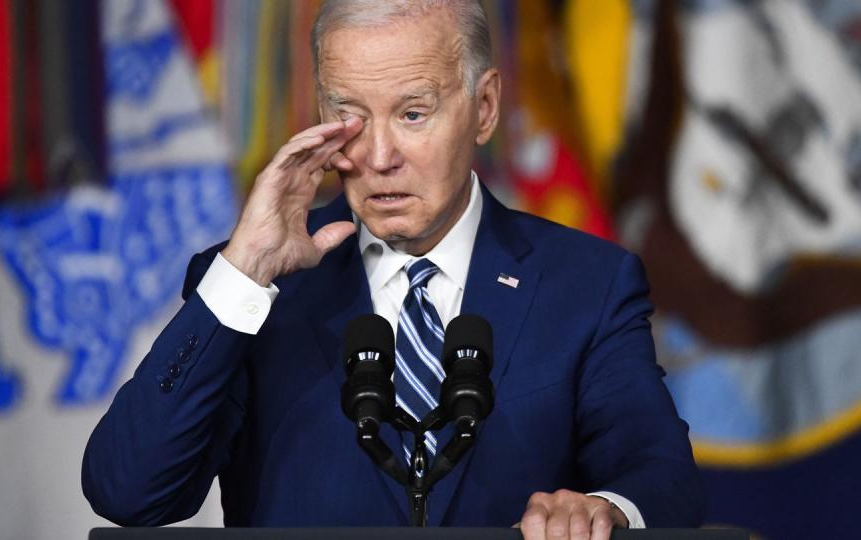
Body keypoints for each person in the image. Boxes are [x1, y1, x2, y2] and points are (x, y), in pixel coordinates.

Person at [82, 1, 704, 538]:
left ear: (484, 108)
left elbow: (662, 477)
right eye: (350, 118)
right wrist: (243, 272)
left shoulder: (588, 284)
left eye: (412, 114)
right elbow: (128, 492)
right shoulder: (255, 290)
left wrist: (603, 509)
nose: (377, 157)